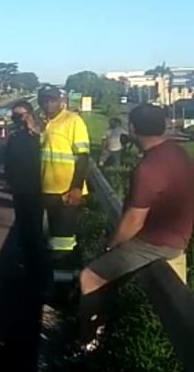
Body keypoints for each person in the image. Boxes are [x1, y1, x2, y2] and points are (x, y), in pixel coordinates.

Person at [73, 104, 194, 353]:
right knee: (108, 280)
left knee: (89, 277)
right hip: (177, 237)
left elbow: (133, 221)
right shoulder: (177, 153)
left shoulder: (148, 169)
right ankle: (102, 330)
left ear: (132, 129)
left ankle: (88, 344)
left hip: (155, 242)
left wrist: (109, 246)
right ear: (164, 126)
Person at [38, 86, 90, 273]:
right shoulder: (45, 123)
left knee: (64, 243)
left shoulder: (72, 120)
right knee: (54, 240)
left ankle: (64, 287)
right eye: (44, 100)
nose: (48, 104)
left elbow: (83, 157)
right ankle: (59, 277)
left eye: (52, 100)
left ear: (60, 101)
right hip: (48, 190)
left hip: (66, 192)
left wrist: (76, 188)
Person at [4, 100, 47, 284]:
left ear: (29, 115)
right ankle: (28, 269)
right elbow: (9, 161)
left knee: (37, 232)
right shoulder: (14, 137)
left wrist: (34, 131)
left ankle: (39, 272)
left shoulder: (41, 133)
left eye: (19, 116)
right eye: (14, 117)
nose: (16, 120)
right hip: (19, 190)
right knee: (24, 231)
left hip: (38, 189)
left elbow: (47, 147)